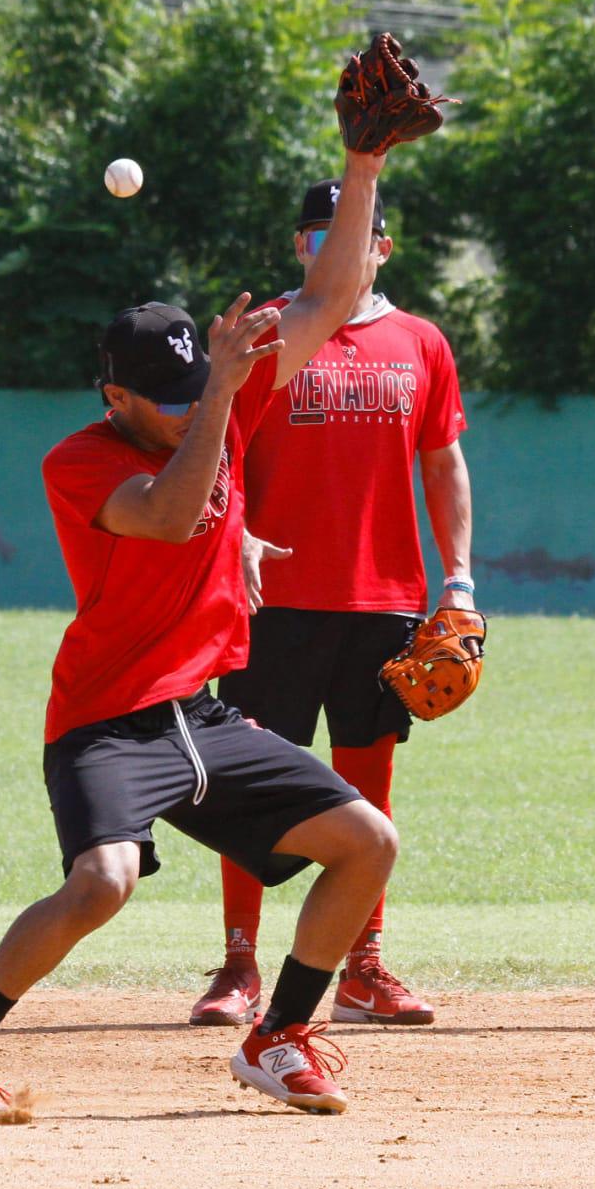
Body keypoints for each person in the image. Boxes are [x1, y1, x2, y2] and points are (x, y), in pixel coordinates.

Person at [0, 149, 399, 1121]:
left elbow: (333, 294)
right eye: (162, 404)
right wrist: (217, 392)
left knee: (366, 842)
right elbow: (169, 517)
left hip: (203, 713)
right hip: (104, 718)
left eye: (192, 397)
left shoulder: (219, 397)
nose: (184, 417)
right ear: (114, 398)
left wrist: (363, 160)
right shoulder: (78, 462)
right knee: (101, 883)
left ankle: (281, 1033)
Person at [188, 178, 471, 1030]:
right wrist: (228, 540)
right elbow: (215, 443)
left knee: (368, 785)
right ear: (300, 248)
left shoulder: (421, 342)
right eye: (315, 238)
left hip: (382, 596)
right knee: (248, 783)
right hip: (271, 596)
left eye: (346, 236)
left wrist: (457, 578)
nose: (331, 250)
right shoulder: (267, 333)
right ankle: (240, 960)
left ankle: (363, 964)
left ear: (381, 246)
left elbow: (444, 462)